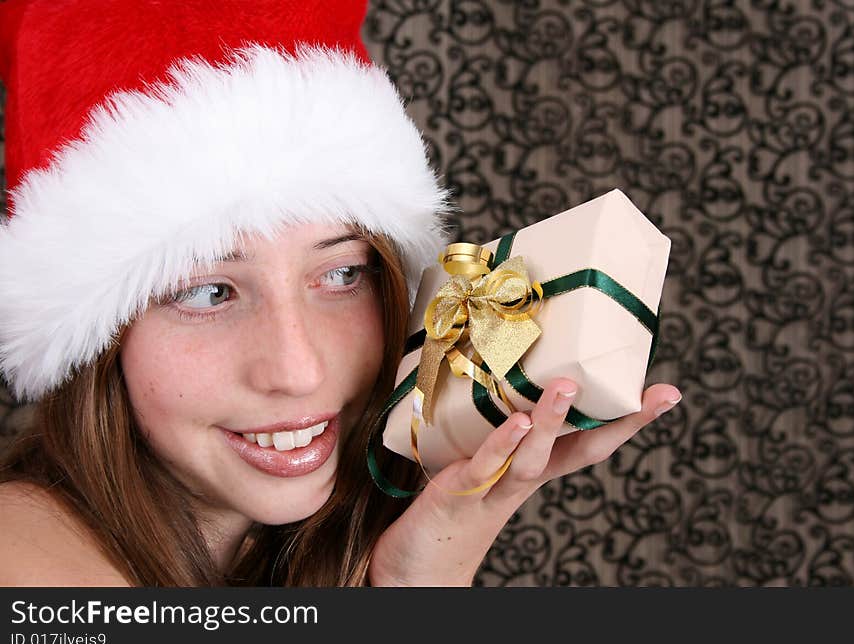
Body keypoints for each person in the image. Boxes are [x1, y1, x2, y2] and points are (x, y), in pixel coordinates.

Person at [0, 0, 681, 586]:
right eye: (209, 292)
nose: (300, 371)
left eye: (341, 274)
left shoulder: (327, 539)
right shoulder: (24, 564)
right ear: (97, 337)